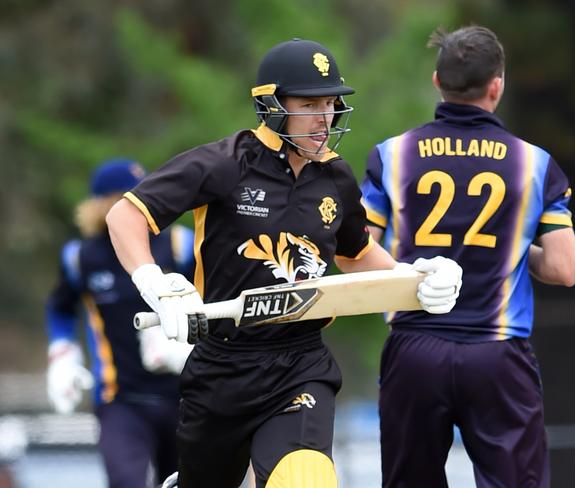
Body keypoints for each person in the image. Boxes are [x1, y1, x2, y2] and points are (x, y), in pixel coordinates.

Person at [104, 38, 463, 488]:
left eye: (331, 103)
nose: (325, 117)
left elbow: (356, 255)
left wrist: (413, 278)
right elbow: (126, 214)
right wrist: (154, 283)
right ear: (271, 105)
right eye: (310, 103)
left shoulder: (335, 175)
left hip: (300, 364)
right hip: (222, 367)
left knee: (305, 478)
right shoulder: (225, 163)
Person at [361, 26, 575, 488]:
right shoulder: (534, 164)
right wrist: (516, 248)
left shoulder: (392, 154)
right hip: (497, 352)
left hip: (414, 350)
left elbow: (358, 252)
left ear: (437, 80)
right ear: (497, 85)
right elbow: (565, 269)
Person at [45, 158, 195, 488]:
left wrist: (187, 347)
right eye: (120, 198)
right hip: (120, 400)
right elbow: (59, 309)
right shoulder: (81, 258)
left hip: (184, 396)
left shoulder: (179, 245)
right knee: (127, 481)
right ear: (99, 204)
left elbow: (215, 298)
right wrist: (61, 355)